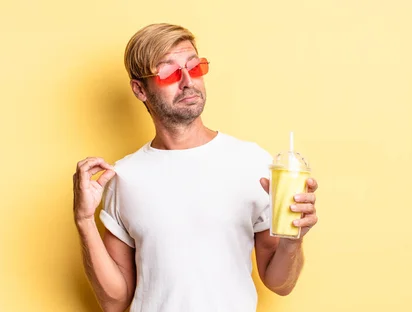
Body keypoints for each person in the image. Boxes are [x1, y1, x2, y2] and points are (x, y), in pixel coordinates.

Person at [72, 23, 319, 312]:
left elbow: (280, 284)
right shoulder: (124, 177)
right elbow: (114, 302)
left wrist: (293, 239)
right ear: (140, 89)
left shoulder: (252, 162)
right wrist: (84, 220)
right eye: (168, 73)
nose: (188, 81)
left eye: (195, 67)